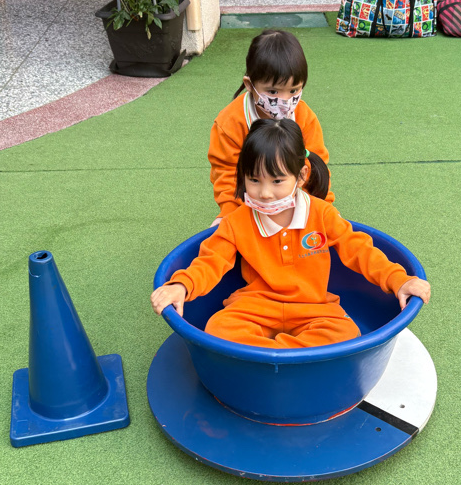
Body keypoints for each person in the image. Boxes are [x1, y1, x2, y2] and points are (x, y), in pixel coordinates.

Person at [152, 119, 430, 349]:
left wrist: (398, 280)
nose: (265, 193)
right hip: (255, 305)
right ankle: (290, 358)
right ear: (242, 176)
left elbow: (360, 251)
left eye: (277, 180)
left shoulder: (322, 214)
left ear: (301, 175)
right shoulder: (236, 221)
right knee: (219, 327)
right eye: (254, 180)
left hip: (313, 306)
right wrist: (182, 286)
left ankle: (270, 356)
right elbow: (210, 261)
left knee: (345, 332)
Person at [208, 28, 334, 225]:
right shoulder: (230, 123)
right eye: (273, 92)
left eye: (294, 90)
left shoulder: (305, 117)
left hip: (293, 199)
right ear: (249, 85)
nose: (285, 101)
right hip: (250, 203)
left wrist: (323, 209)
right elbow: (227, 174)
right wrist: (231, 214)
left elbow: (317, 166)